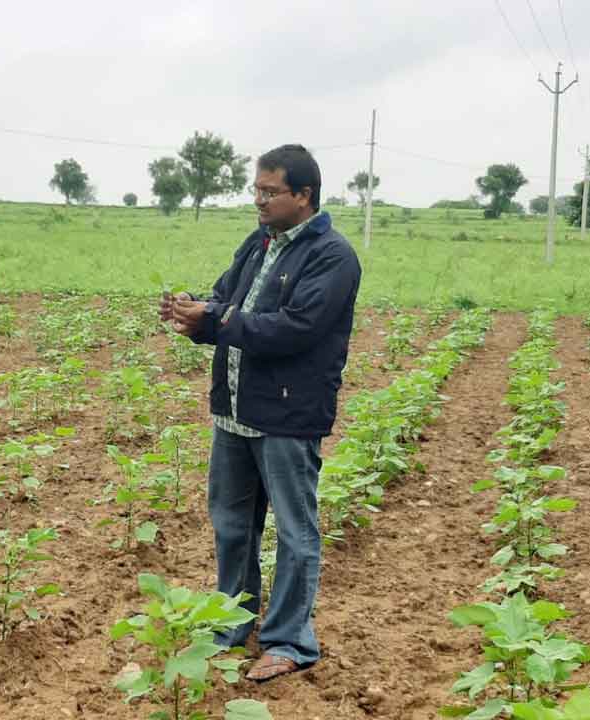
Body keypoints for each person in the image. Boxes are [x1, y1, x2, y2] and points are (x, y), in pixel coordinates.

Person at [160, 144, 361, 682]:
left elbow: (296, 328)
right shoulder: (259, 243)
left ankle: (289, 641)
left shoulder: (333, 256)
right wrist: (193, 315)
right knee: (231, 525)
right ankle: (232, 622)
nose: (260, 200)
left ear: (304, 195)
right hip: (234, 412)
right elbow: (227, 301)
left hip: (287, 417)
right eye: (257, 190)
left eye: (271, 191)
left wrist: (217, 317)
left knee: (295, 533)